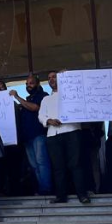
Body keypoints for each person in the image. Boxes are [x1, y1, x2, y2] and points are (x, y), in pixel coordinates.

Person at [39, 71, 90, 204]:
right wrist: (49, 120)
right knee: (58, 167)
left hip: (72, 131)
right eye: (49, 78)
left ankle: (82, 195)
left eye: (54, 77)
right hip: (53, 134)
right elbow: (41, 116)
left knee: (76, 164)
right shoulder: (46, 99)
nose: (51, 79)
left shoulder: (73, 95)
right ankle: (61, 196)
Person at [12, 75, 51, 196]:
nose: (28, 86)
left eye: (31, 83)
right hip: (27, 137)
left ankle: (47, 189)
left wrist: (17, 97)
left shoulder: (43, 96)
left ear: (38, 84)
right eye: (27, 84)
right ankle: (41, 189)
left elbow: (35, 108)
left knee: (42, 162)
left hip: (38, 134)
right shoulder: (28, 99)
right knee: (34, 165)